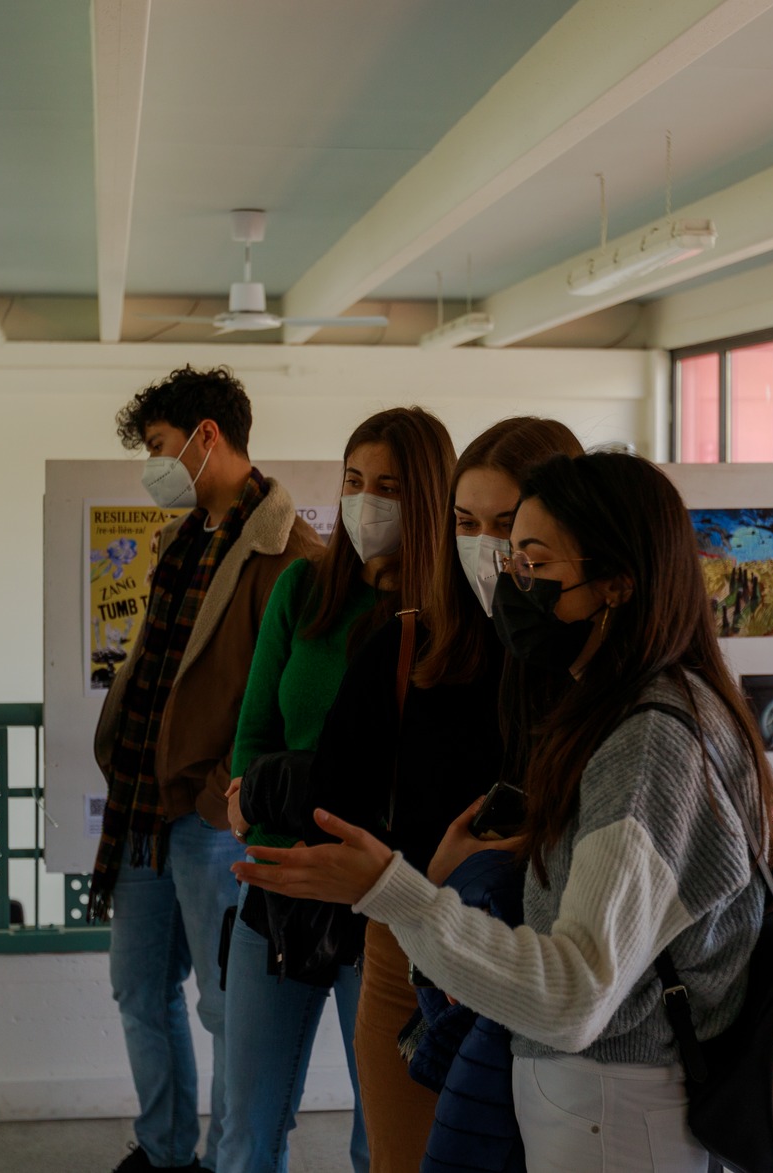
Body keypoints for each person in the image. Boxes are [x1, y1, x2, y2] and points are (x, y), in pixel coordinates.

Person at [233, 452, 773, 1173]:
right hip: (602, 1099)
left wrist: (391, 889)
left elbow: (574, 993)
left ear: (617, 581)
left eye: (531, 561)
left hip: (613, 1107)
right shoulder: (637, 709)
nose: (509, 583)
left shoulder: (648, 741)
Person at [238, 417, 583, 1173]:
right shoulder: (405, 641)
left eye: (508, 523)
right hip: (415, 955)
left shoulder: (598, 664)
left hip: (560, 963)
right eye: (468, 522)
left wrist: (493, 853)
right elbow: (335, 789)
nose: (488, 545)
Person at [88, 365, 324, 1173]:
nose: (153, 465)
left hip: (213, 817)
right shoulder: (183, 538)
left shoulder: (289, 554)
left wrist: (226, 787)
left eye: (159, 446)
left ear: (206, 437)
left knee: (230, 1008)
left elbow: (290, 701)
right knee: (139, 992)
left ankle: (238, 1160)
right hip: (146, 811)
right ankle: (164, 1152)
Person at [220, 406, 455, 1173]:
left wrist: (271, 792)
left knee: (380, 1137)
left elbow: (402, 781)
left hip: (382, 899)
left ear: (426, 498)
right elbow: (254, 742)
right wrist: (256, 804)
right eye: (354, 481)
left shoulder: (449, 623)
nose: (366, 501)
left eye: (388, 486)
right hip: (279, 888)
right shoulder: (303, 590)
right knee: (245, 1128)